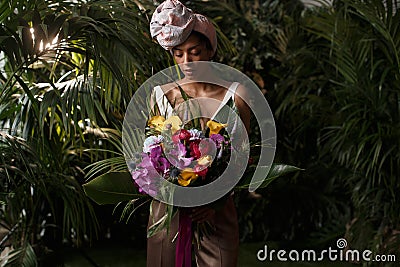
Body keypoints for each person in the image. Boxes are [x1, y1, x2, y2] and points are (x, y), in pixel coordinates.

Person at [147, 1, 250, 266]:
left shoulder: (236, 95)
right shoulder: (161, 95)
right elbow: (150, 156)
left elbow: (243, 159)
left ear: (209, 50)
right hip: (169, 213)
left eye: (194, 52)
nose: (186, 61)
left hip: (215, 213)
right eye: (178, 54)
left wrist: (214, 200)